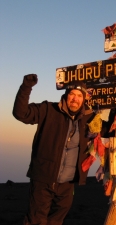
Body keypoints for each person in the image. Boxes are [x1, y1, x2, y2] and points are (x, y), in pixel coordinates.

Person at [12, 74, 95, 225]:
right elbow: (21, 113)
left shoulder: (90, 120)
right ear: (66, 95)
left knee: (56, 221)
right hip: (43, 179)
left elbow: (109, 131)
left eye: (79, 96)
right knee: (36, 220)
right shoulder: (48, 110)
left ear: (84, 99)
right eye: (71, 94)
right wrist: (26, 87)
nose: (75, 99)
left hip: (68, 185)